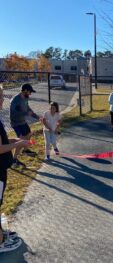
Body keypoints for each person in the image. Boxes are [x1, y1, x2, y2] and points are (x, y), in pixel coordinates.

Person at [0, 85, 31, 252]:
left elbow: (3, 141)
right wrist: (19, 143)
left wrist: (13, 140)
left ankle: (2, 234)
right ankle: (1, 243)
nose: (3, 99)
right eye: (1, 97)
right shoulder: (17, 102)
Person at [10, 83, 40, 167]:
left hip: (22, 121)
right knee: (21, 140)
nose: (30, 94)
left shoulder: (26, 98)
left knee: (29, 134)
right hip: (15, 123)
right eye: (30, 92)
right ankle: (14, 160)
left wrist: (37, 117)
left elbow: (28, 108)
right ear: (25, 90)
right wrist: (26, 112)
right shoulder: (15, 100)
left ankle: (25, 150)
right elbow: (15, 112)